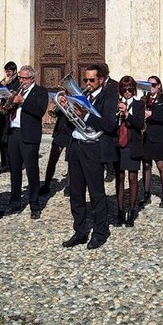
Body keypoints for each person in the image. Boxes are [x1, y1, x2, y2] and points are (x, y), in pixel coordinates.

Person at [62, 64, 119, 250]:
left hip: (93, 148)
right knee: (76, 193)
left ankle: (100, 233)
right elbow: (71, 124)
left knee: (96, 193)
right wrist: (66, 109)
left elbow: (109, 124)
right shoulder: (81, 96)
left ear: (101, 80)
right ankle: (79, 231)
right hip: (76, 146)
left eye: (91, 80)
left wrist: (85, 115)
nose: (87, 83)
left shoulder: (108, 96)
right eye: (85, 79)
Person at [4, 65, 47, 217]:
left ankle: (34, 205)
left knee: (31, 170)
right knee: (15, 169)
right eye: (20, 77)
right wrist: (8, 101)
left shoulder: (40, 92)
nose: (21, 80)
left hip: (29, 135)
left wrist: (23, 101)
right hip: (13, 133)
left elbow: (40, 111)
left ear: (32, 78)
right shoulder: (17, 90)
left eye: (25, 78)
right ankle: (15, 202)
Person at [114, 75, 146, 227]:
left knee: (132, 178)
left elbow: (140, 124)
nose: (127, 92)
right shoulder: (115, 103)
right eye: (124, 89)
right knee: (119, 178)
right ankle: (120, 211)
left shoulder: (139, 104)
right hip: (118, 145)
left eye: (130, 89)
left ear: (134, 90)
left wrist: (127, 114)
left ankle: (132, 211)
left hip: (133, 144)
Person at [141, 75, 163, 207]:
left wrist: (151, 114)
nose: (151, 87)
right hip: (145, 137)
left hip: (158, 137)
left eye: (153, 85)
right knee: (146, 166)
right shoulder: (144, 99)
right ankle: (146, 194)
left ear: (159, 85)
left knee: (161, 166)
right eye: (148, 85)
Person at [41, 95, 73, 195]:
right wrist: (59, 104)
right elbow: (55, 114)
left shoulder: (77, 98)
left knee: (71, 161)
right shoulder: (64, 96)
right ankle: (46, 184)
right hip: (60, 131)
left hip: (71, 131)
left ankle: (69, 186)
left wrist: (68, 105)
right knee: (52, 160)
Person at [0, 61, 20, 169]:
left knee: (9, 139)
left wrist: (6, 89)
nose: (7, 74)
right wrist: (0, 86)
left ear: (14, 71)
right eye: (6, 71)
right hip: (3, 112)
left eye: (9, 71)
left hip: (11, 112)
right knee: (2, 138)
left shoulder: (18, 82)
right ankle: (4, 163)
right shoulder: (5, 81)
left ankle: (12, 163)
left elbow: (15, 94)